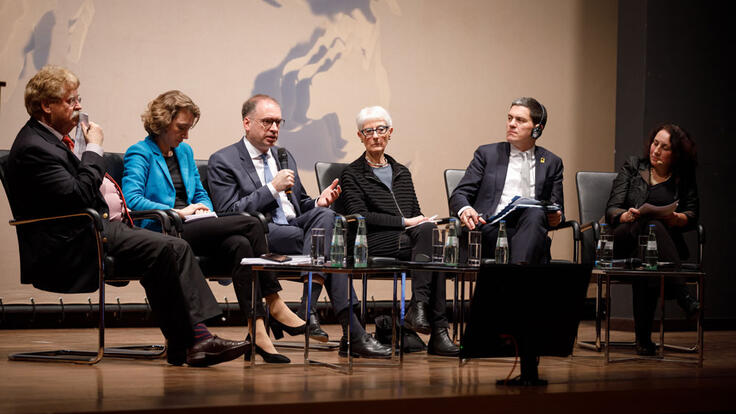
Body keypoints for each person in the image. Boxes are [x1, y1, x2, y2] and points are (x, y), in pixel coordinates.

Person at [6, 65, 247, 367]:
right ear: (46, 106)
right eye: (71, 101)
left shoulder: (52, 141)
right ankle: (198, 338)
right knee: (172, 247)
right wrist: (94, 147)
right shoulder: (35, 147)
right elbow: (79, 194)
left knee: (163, 253)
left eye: (78, 99)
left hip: (92, 228)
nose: (79, 107)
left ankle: (187, 345)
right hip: (72, 240)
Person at [122, 90, 306, 363]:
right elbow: (132, 201)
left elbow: (200, 192)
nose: (186, 135)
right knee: (252, 221)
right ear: (162, 122)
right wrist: (179, 211)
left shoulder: (184, 151)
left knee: (240, 245)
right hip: (163, 228)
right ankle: (274, 301)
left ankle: (257, 330)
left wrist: (204, 208)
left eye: (188, 128)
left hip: (194, 225)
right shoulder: (139, 153)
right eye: (181, 128)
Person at [207, 94, 391, 358]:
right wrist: (271, 189)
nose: (274, 129)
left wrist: (319, 201)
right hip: (261, 234)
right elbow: (229, 213)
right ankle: (353, 332)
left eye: (278, 123)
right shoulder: (224, 160)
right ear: (247, 123)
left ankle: (309, 306)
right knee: (330, 250)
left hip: (296, 229)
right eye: (267, 122)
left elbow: (300, 203)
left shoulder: (283, 156)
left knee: (329, 218)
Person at [340, 106, 459, 357]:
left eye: (380, 129)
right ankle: (433, 327)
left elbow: (416, 211)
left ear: (390, 132)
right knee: (432, 247)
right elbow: (360, 217)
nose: (375, 135)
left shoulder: (402, 172)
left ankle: (422, 312)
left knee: (431, 242)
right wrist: (406, 222)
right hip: (369, 241)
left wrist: (419, 221)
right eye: (368, 131)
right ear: (360, 136)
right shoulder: (351, 173)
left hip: (405, 240)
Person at [606, 123, 700, 356]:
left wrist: (677, 219)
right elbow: (611, 209)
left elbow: (692, 214)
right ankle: (683, 295)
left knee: (648, 249)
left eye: (664, 147)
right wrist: (626, 214)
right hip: (623, 238)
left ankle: (643, 340)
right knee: (647, 228)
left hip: (655, 247)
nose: (655, 150)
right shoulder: (633, 166)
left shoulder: (682, 177)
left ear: (676, 154)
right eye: (654, 143)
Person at [450, 97, 564, 264]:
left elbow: (557, 206)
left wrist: (557, 217)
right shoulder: (487, 154)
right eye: (510, 118)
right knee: (535, 240)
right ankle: (517, 283)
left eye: (520, 120)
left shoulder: (552, 162)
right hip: (492, 230)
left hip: (530, 227)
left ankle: (511, 282)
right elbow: (459, 194)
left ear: (537, 130)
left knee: (535, 212)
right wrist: (466, 209)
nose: (511, 124)